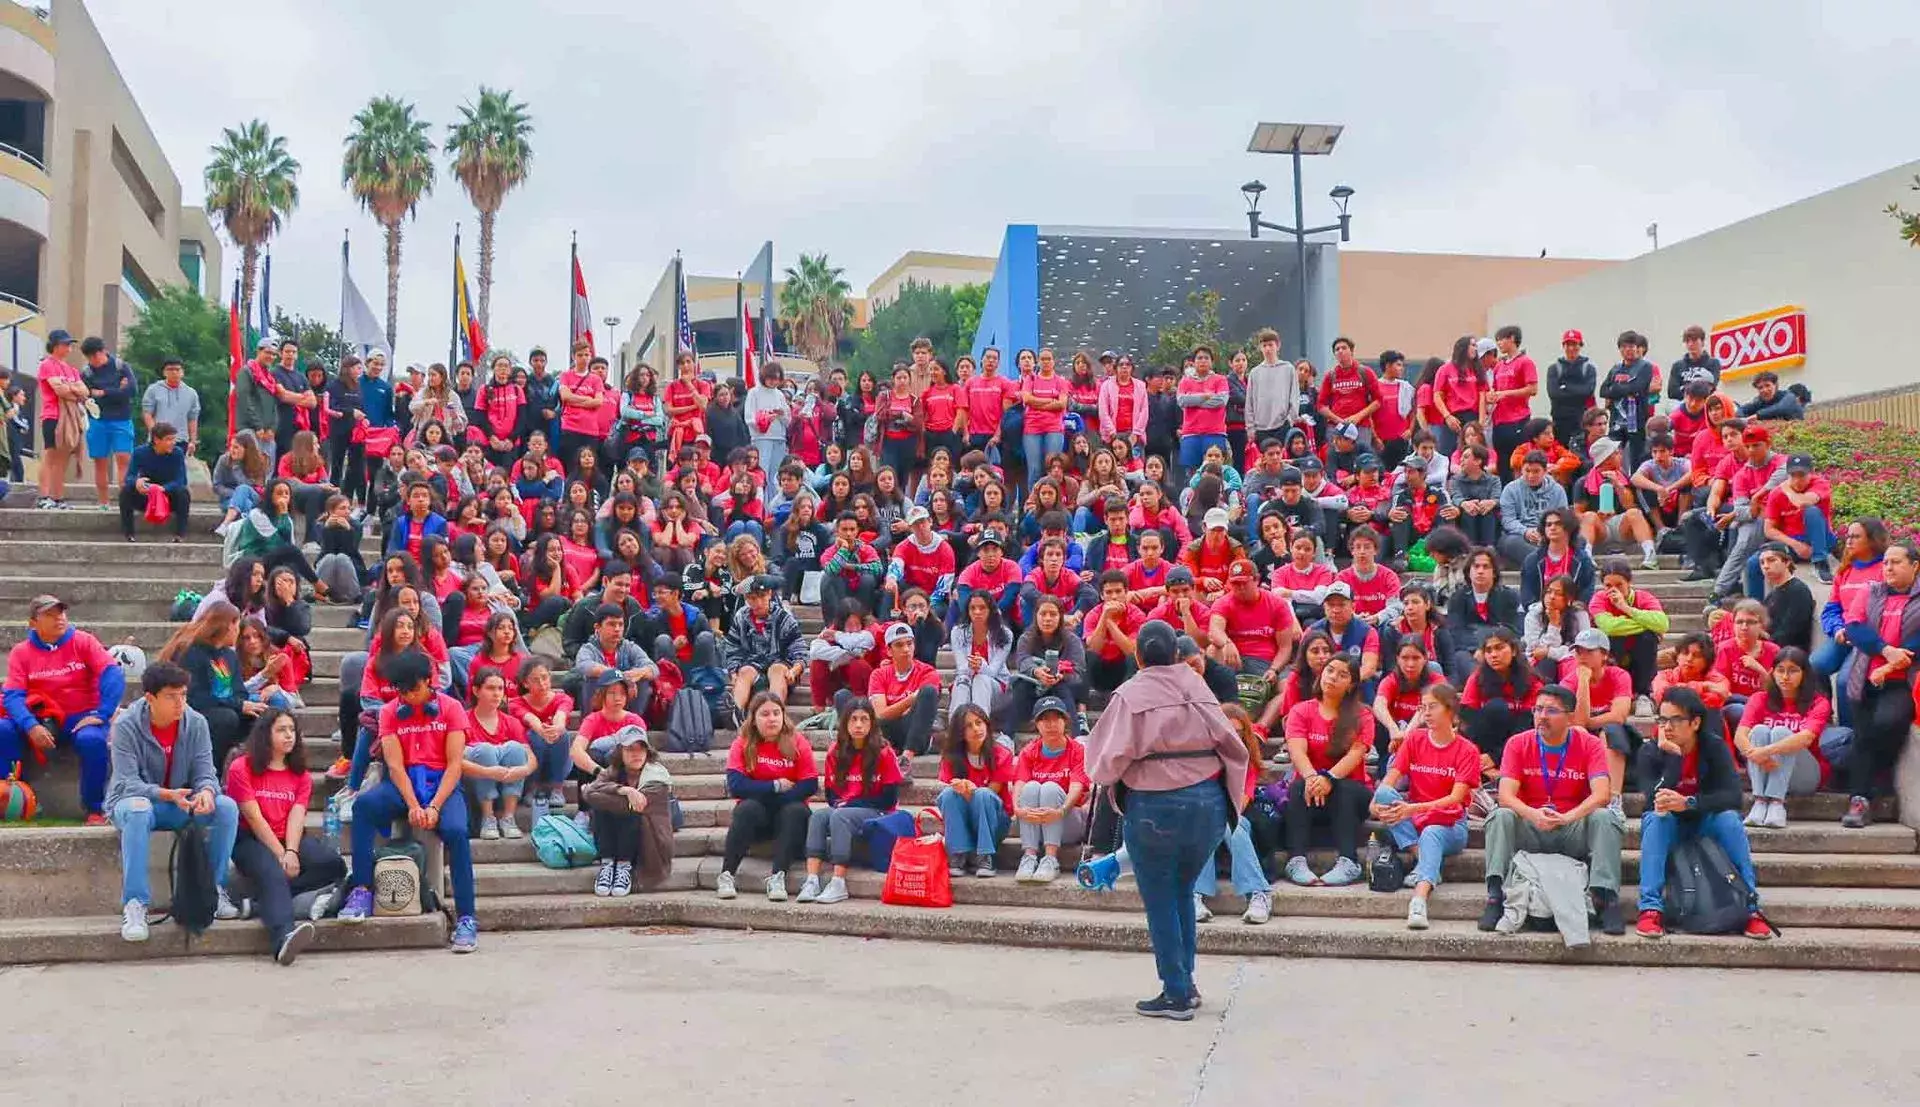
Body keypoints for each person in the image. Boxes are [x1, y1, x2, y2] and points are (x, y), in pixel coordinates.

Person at [1085, 619, 1247, 1019]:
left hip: (1155, 806)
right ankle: (1186, 983)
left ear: (1137, 656)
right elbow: (1234, 746)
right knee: (1181, 890)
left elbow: (1105, 762)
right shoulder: (1198, 686)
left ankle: (1175, 992)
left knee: (1160, 897)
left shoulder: (1129, 693)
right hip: (1208, 802)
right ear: (1177, 654)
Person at [336, 651, 480, 954]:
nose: (408, 697)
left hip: (442, 783)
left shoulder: (451, 708)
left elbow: (455, 764)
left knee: (456, 831)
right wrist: (414, 805)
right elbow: (395, 765)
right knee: (364, 806)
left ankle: (467, 918)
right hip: (404, 783)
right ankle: (361, 889)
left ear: (430, 682)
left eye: (413, 690)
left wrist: (434, 807)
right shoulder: (390, 711)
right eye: (402, 691)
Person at [106, 661, 242, 942]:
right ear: (150, 698)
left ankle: (213, 890)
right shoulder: (126, 725)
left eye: (183, 695)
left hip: (179, 802)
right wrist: (166, 794)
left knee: (226, 807)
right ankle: (135, 904)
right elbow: (127, 782)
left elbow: (207, 772)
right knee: (138, 810)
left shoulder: (197, 723)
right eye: (171, 696)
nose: (180, 702)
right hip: (133, 801)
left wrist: (205, 791)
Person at [1477, 684, 1627, 936]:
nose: (1542, 716)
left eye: (1551, 711)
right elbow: (1505, 796)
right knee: (1500, 816)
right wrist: (1533, 814)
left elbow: (1602, 794)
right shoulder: (1518, 743)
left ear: (1570, 717)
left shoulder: (1589, 744)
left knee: (1605, 817)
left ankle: (1606, 899)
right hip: (1532, 826)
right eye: (1538, 709)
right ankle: (1495, 897)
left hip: (1571, 826)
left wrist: (1568, 817)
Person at [1634, 686, 1773, 940]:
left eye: (1675, 719)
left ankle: (1750, 909)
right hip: (1669, 826)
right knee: (1656, 819)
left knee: (1730, 820)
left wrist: (1689, 803)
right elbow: (1653, 797)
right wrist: (1673, 758)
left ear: (1695, 722)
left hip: (1703, 821)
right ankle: (1650, 909)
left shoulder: (1714, 747)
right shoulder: (1651, 751)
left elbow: (1733, 797)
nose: (1667, 727)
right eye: (1662, 719)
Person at [225, 708, 344, 964]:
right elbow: (254, 818)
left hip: (288, 838)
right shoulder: (241, 767)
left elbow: (297, 816)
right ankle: (283, 937)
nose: (289, 736)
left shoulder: (300, 774)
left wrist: (291, 850)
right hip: (250, 839)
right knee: (274, 874)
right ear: (265, 735)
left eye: (292, 730)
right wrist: (281, 855)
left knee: (334, 864)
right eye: (281, 730)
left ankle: (258, 904)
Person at [1, 594, 122, 823]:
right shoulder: (21, 652)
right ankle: (10, 797)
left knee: (92, 741)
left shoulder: (83, 641)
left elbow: (112, 673)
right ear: (33, 623)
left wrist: (102, 713)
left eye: (61, 613)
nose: (59, 619)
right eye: (50, 615)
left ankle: (95, 808)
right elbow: (13, 696)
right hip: (42, 718)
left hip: (81, 718)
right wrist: (30, 725)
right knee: (3, 729)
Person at [1371, 684, 1481, 929]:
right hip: (1417, 820)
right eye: (1422, 708)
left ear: (1450, 710)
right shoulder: (1415, 739)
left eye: (1432, 707)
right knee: (1386, 794)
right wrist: (1375, 803)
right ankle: (1422, 858)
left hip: (1450, 823)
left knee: (1432, 833)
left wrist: (1412, 809)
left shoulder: (1467, 750)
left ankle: (1418, 901)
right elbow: (1391, 778)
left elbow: (1456, 798)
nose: (1426, 713)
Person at [1836, 540, 1920, 829]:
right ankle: (1860, 800)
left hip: (1903, 682)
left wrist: (1890, 665)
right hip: (1864, 678)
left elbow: (1916, 644)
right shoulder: (1871, 591)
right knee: (1864, 734)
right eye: (1885, 562)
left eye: (1896, 562)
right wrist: (1886, 651)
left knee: (1883, 724)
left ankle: (1865, 786)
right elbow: (1854, 628)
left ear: (1915, 566)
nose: (1888, 568)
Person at [796, 698, 904, 905]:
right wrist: (846, 805)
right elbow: (831, 796)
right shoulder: (836, 751)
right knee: (819, 816)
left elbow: (889, 798)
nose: (858, 725)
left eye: (864, 719)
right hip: (846, 809)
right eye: (853, 719)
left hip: (878, 811)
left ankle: (838, 882)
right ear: (845, 723)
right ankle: (812, 880)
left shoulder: (884, 752)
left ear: (872, 723)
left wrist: (854, 805)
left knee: (840, 816)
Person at [1280, 652, 1372, 887]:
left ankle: (1349, 861)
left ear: (1351, 685)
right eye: (1330, 670)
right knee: (1298, 786)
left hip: (1351, 796)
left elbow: (1356, 754)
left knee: (1344, 789)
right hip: (1311, 794)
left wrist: (1329, 778)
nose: (1332, 677)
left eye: (1342, 675)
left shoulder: (1363, 715)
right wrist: (1313, 777)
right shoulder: (1302, 710)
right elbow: (1297, 750)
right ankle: (1296, 860)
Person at [718, 693, 819, 901]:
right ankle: (727, 874)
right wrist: (774, 786)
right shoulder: (742, 743)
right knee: (747, 808)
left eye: (776, 713)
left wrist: (768, 795)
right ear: (753, 718)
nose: (772, 718)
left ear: (783, 715)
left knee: (796, 810)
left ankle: (777, 876)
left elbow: (809, 784)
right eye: (765, 714)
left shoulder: (797, 741)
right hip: (757, 818)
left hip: (789, 816)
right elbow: (736, 786)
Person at [1735, 647, 1846, 829]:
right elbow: (1740, 735)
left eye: (1793, 670)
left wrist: (1765, 752)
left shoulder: (1818, 703)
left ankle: (1777, 804)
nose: (1785, 677)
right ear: (1772, 672)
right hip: (1765, 768)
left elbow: (1805, 738)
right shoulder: (1759, 699)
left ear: (1805, 674)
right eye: (1780, 670)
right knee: (1759, 731)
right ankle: (1760, 801)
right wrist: (1755, 755)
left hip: (1805, 775)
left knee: (1781, 732)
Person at [580, 726, 675, 897]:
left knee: (629, 811)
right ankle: (608, 864)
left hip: (650, 843)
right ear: (620, 753)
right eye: (630, 749)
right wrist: (625, 790)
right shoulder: (614, 771)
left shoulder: (657, 776)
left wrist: (599, 792)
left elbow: (591, 793)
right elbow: (589, 794)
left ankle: (624, 866)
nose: (636, 754)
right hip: (617, 834)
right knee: (604, 808)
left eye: (641, 748)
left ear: (648, 751)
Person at [1010, 696, 1089, 883]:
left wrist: (1060, 811)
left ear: (1065, 721)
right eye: (1045, 719)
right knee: (1030, 788)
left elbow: (1076, 786)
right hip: (1037, 824)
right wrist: (1017, 809)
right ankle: (1029, 856)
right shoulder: (1029, 751)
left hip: (1068, 820)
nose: (1051, 724)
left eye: (1056, 718)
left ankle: (1051, 858)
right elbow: (1019, 784)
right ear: (1037, 724)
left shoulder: (1077, 750)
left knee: (1050, 789)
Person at [936, 704, 1015, 877]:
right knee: (948, 795)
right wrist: (960, 788)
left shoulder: (1002, 754)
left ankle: (985, 855)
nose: (976, 729)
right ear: (960, 732)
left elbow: (992, 792)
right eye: (968, 726)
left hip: (995, 821)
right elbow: (950, 789)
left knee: (983, 795)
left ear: (986, 724)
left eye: (979, 722)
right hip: (964, 819)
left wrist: (971, 791)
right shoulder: (951, 757)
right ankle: (958, 853)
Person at [843, 622, 941, 759]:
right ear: (889, 651)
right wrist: (912, 699)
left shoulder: (928, 672)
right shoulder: (879, 674)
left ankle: (907, 757)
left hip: (914, 731)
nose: (906, 649)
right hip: (885, 730)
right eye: (899, 645)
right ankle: (858, 749)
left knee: (929, 692)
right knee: (842, 697)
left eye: (909, 643)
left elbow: (923, 709)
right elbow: (881, 714)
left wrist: (896, 709)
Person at [1591, 558, 1668, 709]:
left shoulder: (1644, 597)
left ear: (1629, 582)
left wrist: (1626, 608)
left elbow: (1663, 624)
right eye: (1608, 586)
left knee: (1648, 637)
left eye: (1619, 585)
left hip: (1639, 658)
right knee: (1614, 636)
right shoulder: (1598, 599)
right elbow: (1609, 627)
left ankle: (1643, 695)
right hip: (1612, 655)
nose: (1614, 590)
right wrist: (1647, 624)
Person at [81, 335, 138, 508]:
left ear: (104, 351)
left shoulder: (121, 367)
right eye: (89, 357)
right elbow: (86, 395)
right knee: (100, 462)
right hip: (98, 420)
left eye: (95, 356)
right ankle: (103, 502)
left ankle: (125, 502)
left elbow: (131, 391)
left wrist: (104, 392)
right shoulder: (86, 372)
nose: (93, 360)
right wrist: (116, 390)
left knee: (124, 459)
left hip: (121, 419)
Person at [949, 591, 1014, 730]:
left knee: (981, 679)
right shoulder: (957, 632)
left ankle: (980, 731)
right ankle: (955, 732)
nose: (977, 612)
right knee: (962, 681)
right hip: (967, 683)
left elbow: (994, 671)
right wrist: (971, 668)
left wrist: (981, 665)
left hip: (996, 688)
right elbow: (961, 668)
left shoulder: (1005, 634)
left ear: (991, 610)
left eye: (982, 608)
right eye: (973, 608)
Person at [119, 421, 190, 542]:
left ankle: (180, 535)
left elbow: (181, 480)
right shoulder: (140, 452)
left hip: (167, 496)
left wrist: (163, 489)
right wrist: (137, 482)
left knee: (183, 493)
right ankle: (129, 534)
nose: (173, 443)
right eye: (168, 440)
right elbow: (129, 477)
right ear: (157, 440)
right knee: (125, 492)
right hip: (147, 496)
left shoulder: (177, 453)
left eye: (174, 439)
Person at [141, 358, 201, 454]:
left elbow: (192, 418)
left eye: (177, 369)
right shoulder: (153, 390)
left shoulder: (191, 393)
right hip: (158, 442)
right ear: (164, 372)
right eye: (170, 369)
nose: (174, 372)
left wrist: (192, 441)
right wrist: (156, 435)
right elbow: (147, 414)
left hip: (180, 441)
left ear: (182, 372)